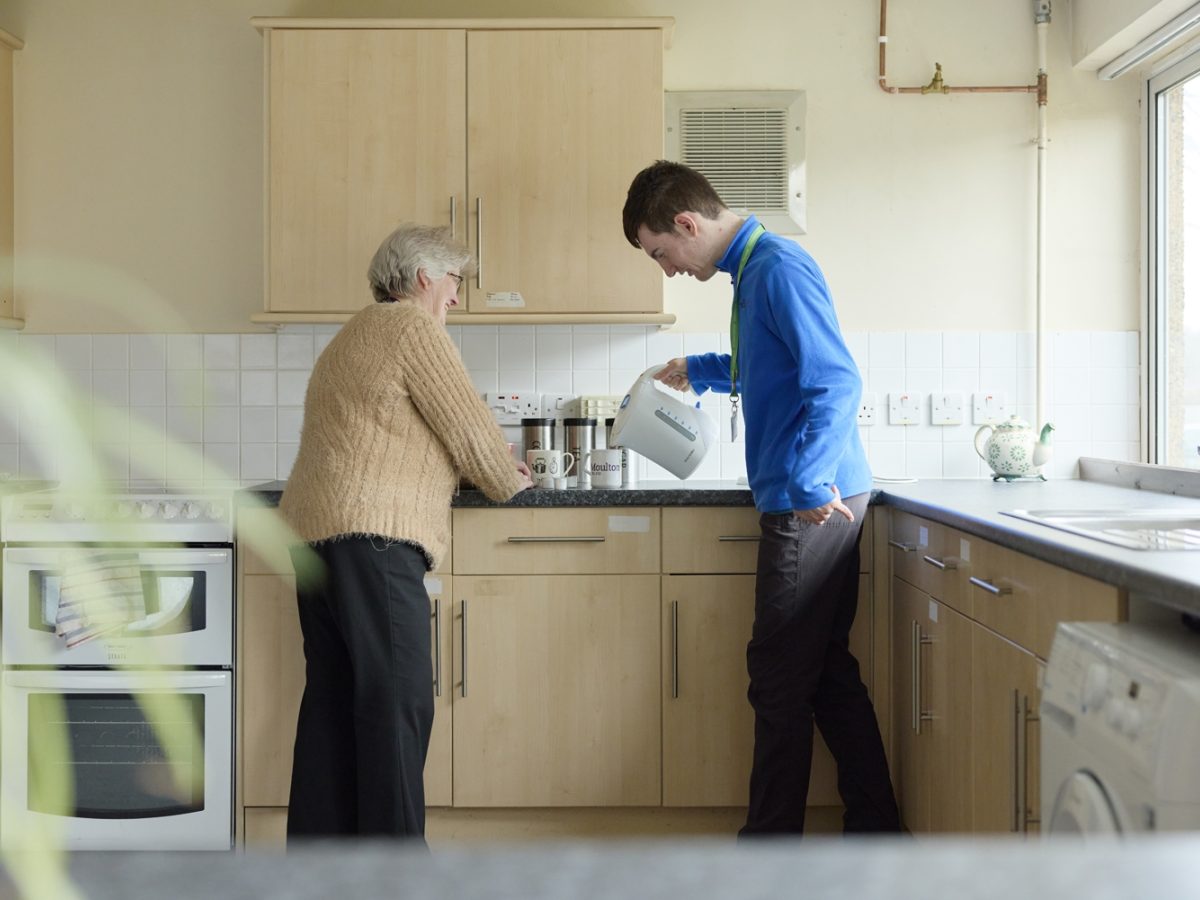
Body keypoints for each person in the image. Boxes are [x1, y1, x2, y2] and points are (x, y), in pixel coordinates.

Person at [622, 161, 901, 836]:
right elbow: (773, 365)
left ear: (687, 224)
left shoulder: (776, 267)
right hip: (823, 492)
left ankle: (769, 853)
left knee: (776, 677)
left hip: (814, 499)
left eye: (662, 253)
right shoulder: (753, 272)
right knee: (823, 671)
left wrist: (806, 480)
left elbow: (835, 381)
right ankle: (876, 829)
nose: (668, 269)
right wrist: (705, 370)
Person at [279, 223, 532, 842]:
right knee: (399, 703)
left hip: (317, 537)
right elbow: (469, 429)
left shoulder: (356, 333)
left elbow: (405, 431)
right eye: (454, 282)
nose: (456, 296)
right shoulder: (412, 327)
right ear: (423, 276)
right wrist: (511, 479)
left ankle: (322, 877)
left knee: (334, 708)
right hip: (374, 539)